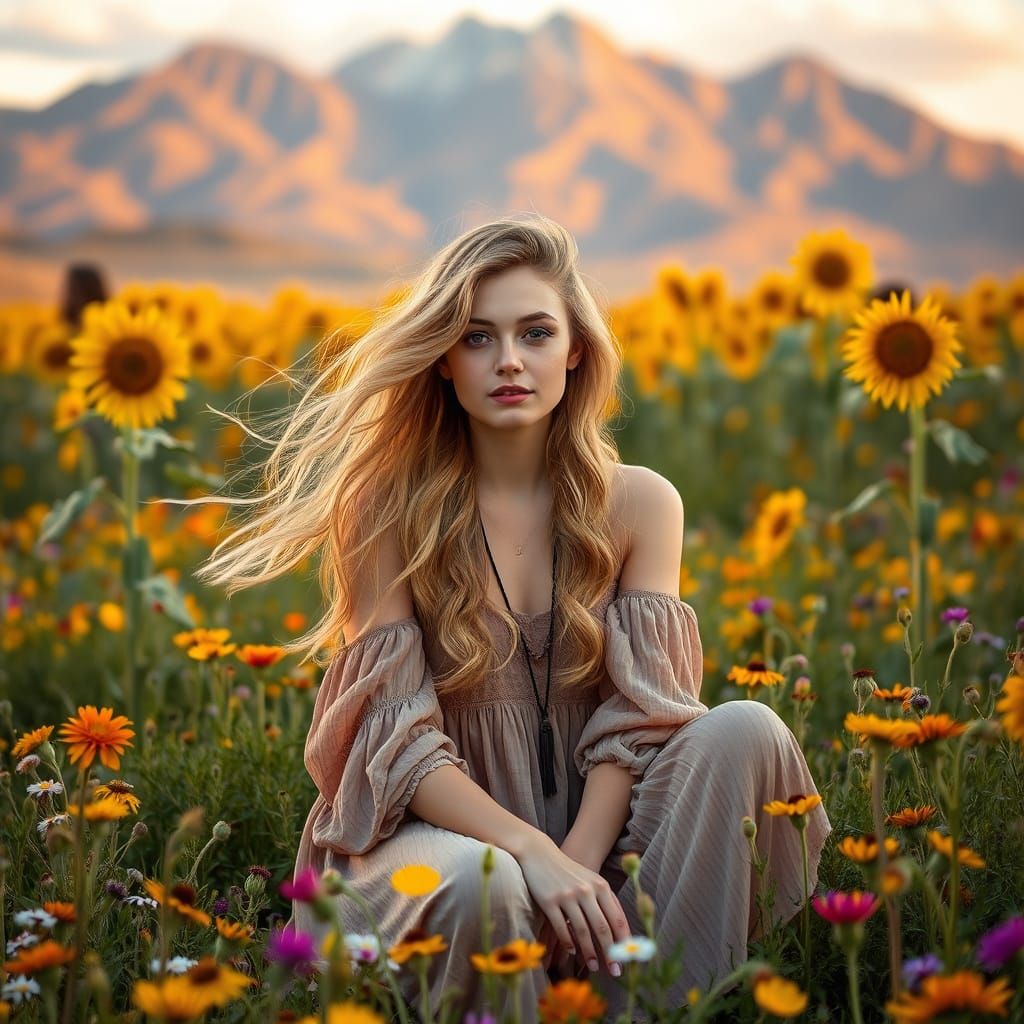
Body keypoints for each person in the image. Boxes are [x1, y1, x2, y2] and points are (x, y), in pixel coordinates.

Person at [195, 214, 831, 1022]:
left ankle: (653, 1005)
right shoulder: (385, 511)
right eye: (476, 338)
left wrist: (577, 864)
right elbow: (398, 743)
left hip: (600, 839)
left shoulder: (640, 503)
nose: (508, 362)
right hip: (433, 837)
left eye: (534, 333)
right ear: (442, 362)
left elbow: (641, 719)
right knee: (483, 885)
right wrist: (528, 853)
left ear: (574, 349)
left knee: (747, 728)